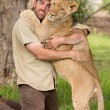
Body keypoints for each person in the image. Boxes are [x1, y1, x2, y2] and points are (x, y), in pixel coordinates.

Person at [0, 0, 90, 110]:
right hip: (32, 83)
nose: (45, 8)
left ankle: (2, 101)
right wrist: (70, 53)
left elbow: (78, 35)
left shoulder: (48, 22)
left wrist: (63, 39)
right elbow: (40, 53)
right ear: (34, 3)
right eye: (41, 3)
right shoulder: (24, 23)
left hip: (48, 83)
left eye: (49, 5)